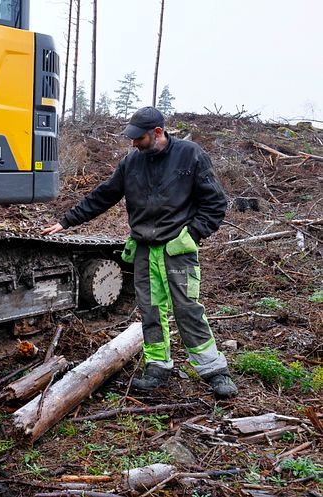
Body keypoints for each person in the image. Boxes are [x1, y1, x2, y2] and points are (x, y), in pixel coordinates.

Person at [42, 107, 238, 399]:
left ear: (158, 133)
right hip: (144, 249)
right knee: (150, 311)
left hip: (177, 249)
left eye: (139, 139)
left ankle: (213, 370)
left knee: (187, 309)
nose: (134, 144)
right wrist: (66, 221)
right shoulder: (132, 162)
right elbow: (104, 195)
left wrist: (193, 234)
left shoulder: (190, 155)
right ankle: (158, 366)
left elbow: (215, 203)